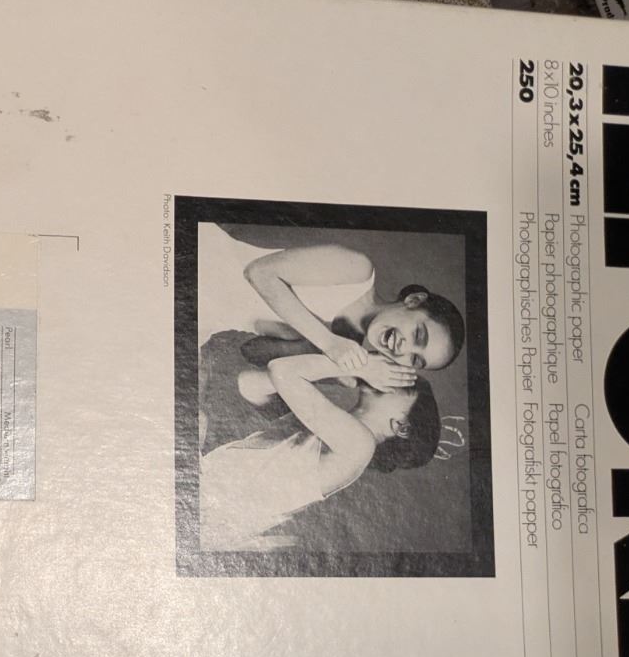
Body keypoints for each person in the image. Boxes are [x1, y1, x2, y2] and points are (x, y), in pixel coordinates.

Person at [198, 350, 441, 551]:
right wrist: (333, 376)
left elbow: (282, 371)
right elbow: (250, 386)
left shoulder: (359, 446)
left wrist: (354, 366)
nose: (386, 375)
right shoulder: (329, 425)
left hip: (207, 509)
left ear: (401, 426)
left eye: (402, 384)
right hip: (205, 493)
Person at [197, 224, 466, 375]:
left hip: (201, 318)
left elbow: (253, 351)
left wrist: (345, 369)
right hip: (200, 262)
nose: (404, 349)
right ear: (414, 300)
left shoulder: (343, 348)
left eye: (415, 360)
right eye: (418, 335)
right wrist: (328, 344)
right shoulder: (358, 270)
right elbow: (258, 273)